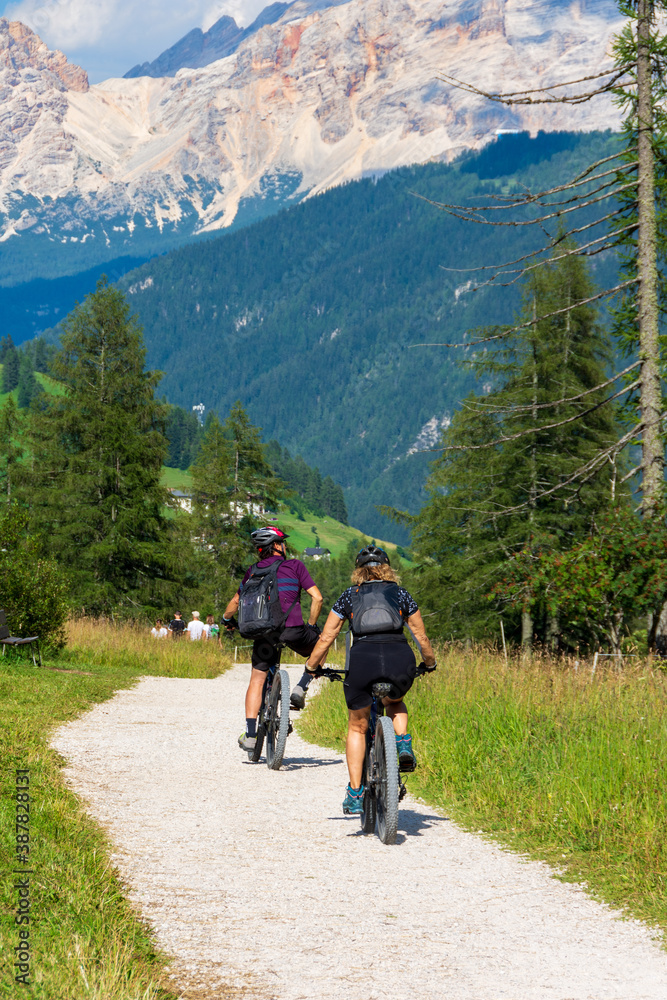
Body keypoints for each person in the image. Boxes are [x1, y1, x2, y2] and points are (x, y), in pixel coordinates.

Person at [301, 545, 436, 815]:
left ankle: (355, 793)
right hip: (400, 658)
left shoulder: (348, 597)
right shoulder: (401, 594)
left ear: (358, 571)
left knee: (357, 728)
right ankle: (403, 743)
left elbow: (327, 637)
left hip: (363, 661)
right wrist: (429, 663)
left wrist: (312, 665)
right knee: (394, 700)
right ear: (387, 568)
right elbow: (421, 636)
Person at [221, 526, 326, 752]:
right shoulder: (295, 565)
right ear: (277, 546)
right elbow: (317, 598)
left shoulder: (252, 570)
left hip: (263, 634)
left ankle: (250, 735)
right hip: (293, 631)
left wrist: (225, 619)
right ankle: (301, 687)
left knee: (257, 680)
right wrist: (311, 625)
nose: (285, 546)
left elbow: (234, 603)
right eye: (283, 543)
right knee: (323, 642)